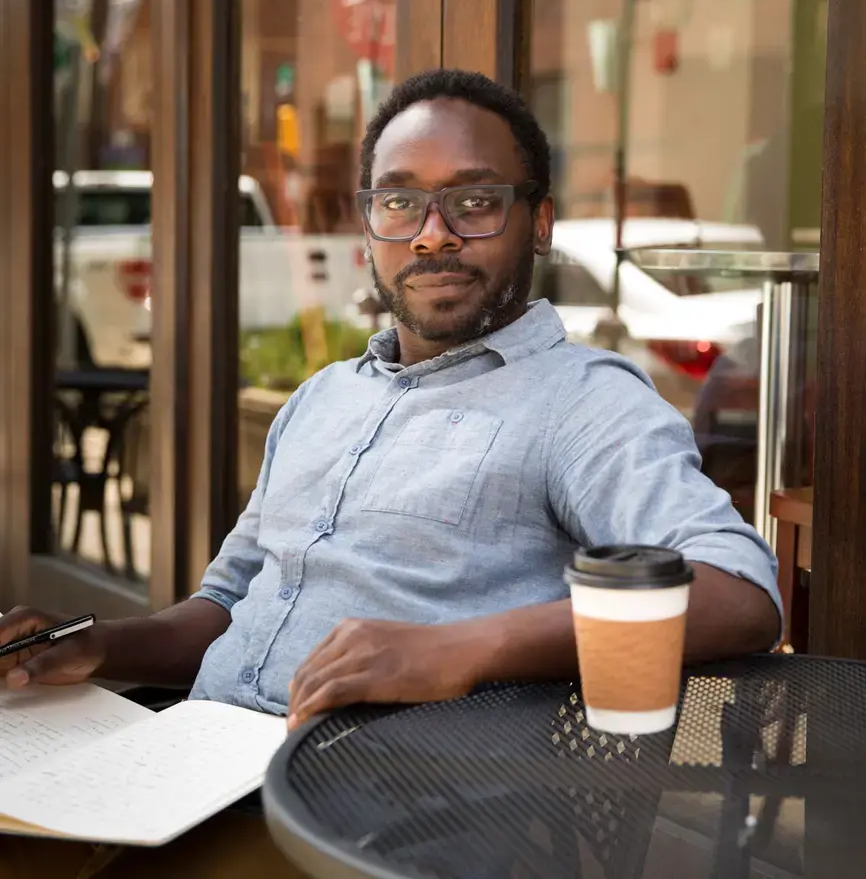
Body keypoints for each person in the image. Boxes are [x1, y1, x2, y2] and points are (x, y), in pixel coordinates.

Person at [0, 69, 781, 877]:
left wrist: (462, 648)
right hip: (190, 764)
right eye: (400, 201)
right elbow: (227, 605)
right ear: (369, 223)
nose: (432, 233)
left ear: (537, 222)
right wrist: (99, 644)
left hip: (374, 819)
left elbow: (740, 591)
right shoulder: (321, 398)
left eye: (474, 202)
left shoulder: (582, 403)